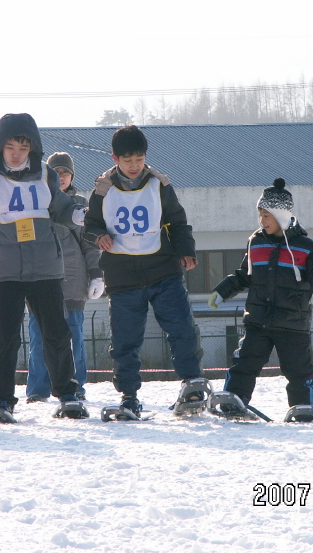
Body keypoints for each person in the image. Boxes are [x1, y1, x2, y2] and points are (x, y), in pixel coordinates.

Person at [0, 113, 87, 421]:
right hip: (5, 270)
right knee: (5, 336)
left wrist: (82, 216)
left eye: (23, 146)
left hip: (45, 267)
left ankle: (68, 394)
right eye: (10, 147)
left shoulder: (46, 175)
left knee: (57, 333)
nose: (16, 153)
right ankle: (1, 399)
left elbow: (61, 208)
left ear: (33, 147)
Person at [83, 125, 204, 418]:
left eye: (139, 159)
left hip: (163, 270)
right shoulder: (103, 188)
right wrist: (99, 237)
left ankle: (193, 384)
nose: (134, 166)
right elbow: (89, 226)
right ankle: (129, 395)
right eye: (128, 161)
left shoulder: (159, 184)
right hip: (122, 277)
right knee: (125, 340)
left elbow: (178, 221)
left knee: (182, 328)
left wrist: (185, 250)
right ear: (115, 159)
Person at [208, 178, 313, 419]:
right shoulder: (255, 243)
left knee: (298, 370)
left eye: (267, 216)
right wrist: (222, 290)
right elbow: (245, 275)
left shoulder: (307, 247)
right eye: (260, 215)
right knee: (244, 362)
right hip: (258, 320)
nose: (261, 221)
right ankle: (234, 400)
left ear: (281, 216)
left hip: (292, 322)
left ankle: (305, 407)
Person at [25, 152, 103, 404]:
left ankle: (76, 385)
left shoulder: (79, 205)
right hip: (40, 281)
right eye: (56, 172)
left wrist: (96, 274)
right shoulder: (36, 202)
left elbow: (90, 245)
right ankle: (38, 388)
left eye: (65, 173)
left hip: (73, 282)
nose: (61, 177)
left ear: (72, 176)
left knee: (74, 338)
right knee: (38, 338)